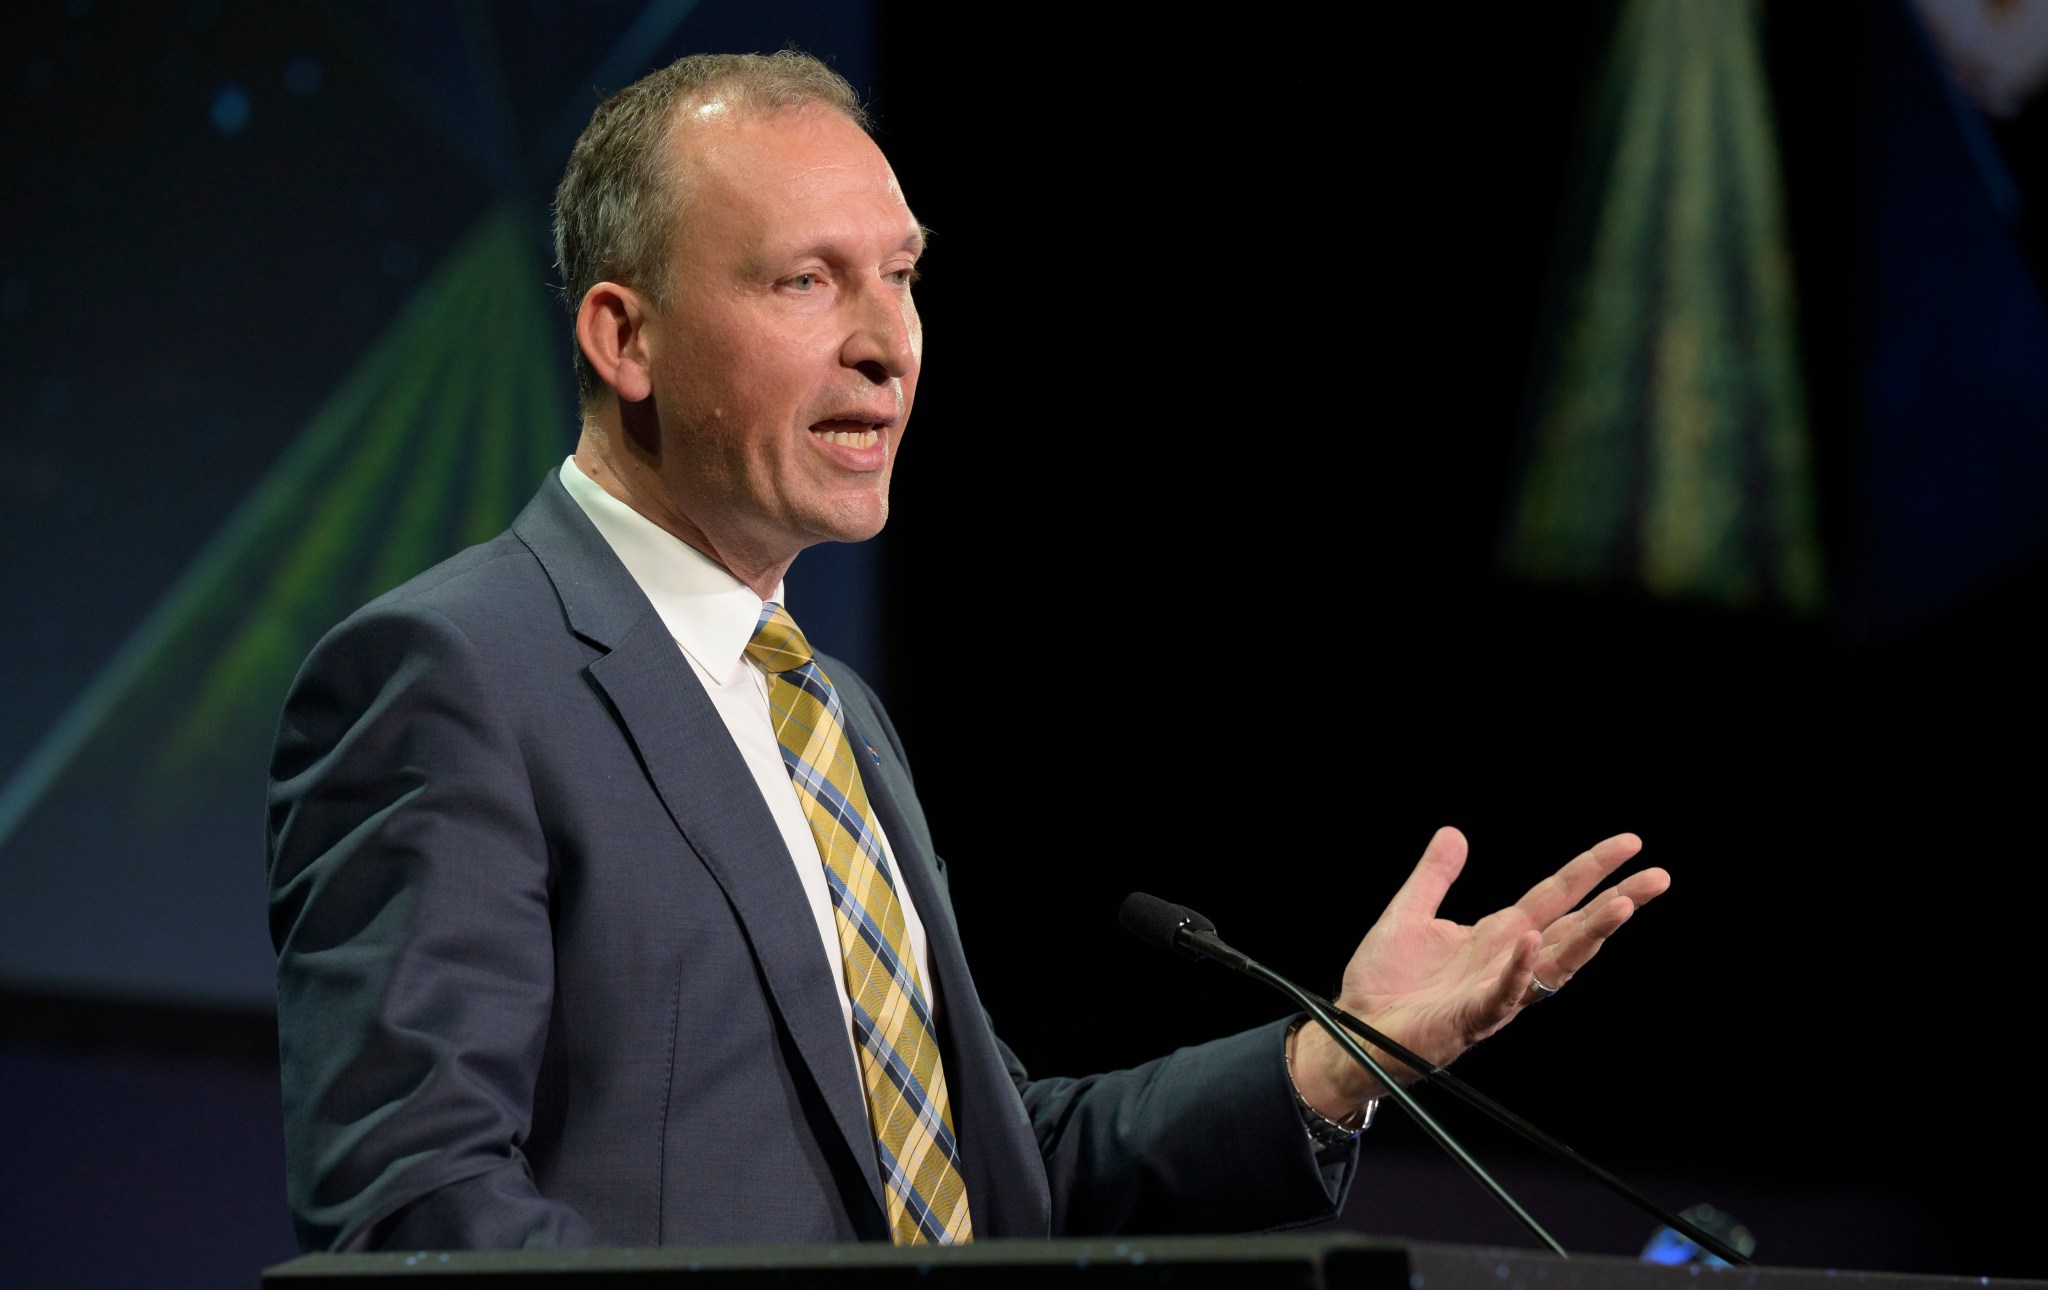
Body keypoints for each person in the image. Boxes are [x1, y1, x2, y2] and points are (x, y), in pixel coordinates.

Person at [265, 50, 1670, 1253]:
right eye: (807, 281)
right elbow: (414, 1220)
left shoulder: (833, 714)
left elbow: (990, 1177)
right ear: (624, 336)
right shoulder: (453, 678)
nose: (891, 345)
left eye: (903, 277)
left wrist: (1333, 1060)